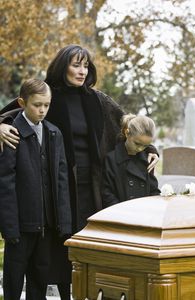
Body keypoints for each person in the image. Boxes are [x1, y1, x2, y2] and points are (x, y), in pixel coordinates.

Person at [0, 44, 159, 296]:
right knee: (61, 246)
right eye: (76, 64)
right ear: (62, 66)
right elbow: (12, 113)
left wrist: (150, 148)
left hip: (93, 186)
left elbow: (129, 124)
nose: (82, 71)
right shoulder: (46, 94)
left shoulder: (97, 100)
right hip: (57, 185)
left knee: (89, 244)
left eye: (86, 65)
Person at [0, 79, 71, 300]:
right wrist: (9, 227)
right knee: (13, 279)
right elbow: (5, 183)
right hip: (20, 227)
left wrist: (64, 222)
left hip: (47, 226)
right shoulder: (12, 133)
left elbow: (61, 180)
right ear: (22, 102)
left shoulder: (54, 133)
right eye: (36, 105)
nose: (42, 110)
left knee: (39, 279)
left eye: (46, 105)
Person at [102, 114, 160, 208]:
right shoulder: (112, 159)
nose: (140, 149)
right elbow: (107, 192)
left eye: (145, 146)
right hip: (120, 215)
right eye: (137, 144)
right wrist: (120, 212)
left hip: (145, 213)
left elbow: (153, 190)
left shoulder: (148, 158)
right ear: (126, 133)